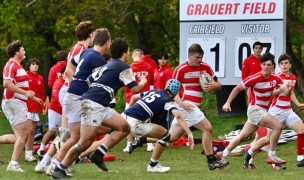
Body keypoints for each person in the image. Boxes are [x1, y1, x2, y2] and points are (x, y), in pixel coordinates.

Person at [51, 38, 147, 179]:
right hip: (93, 104)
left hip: (99, 104)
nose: (128, 54)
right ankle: (60, 167)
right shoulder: (124, 67)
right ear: (124, 53)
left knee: (124, 128)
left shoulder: (106, 65)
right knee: (84, 142)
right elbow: (135, 89)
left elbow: (90, 80)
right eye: (127, 51)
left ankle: (98, 154)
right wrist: (144, 81)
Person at [48, 28, 111, 175]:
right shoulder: (99, 60)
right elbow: (99, 83)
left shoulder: (86, 52)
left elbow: (69, 66)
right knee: (76, 137)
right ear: (107, 43)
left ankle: (56, 165)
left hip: (72, 95)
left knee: (74, 136)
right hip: (76, 98)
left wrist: (76, 80)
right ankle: (55, 165)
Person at [219, 52, 292, 169]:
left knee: (242, 136)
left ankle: (222, 156)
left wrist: (288, 89)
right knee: (278, 127)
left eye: (269, 65)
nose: (266, 67)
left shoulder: (276, 78)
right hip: (255, 110)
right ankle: (272, 156)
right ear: (261, 66)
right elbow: (237, 88)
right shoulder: (255, 78)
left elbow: (286, 92)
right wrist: (227, 103)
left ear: (273, 66)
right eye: (264, 65)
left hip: (262, 112)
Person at [171, 43, 225, 170]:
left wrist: (214, 85)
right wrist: (182, 104)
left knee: (172, 137)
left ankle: (142, 139)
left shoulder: (205, 67)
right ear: (189, 55)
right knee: (207, 128)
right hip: (186, 105)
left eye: (201, 57)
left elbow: (219, 84)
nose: (200, 60)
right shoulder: (180, 69)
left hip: (192, 107)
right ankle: (211, 161)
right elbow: (171, 91)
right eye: (197, 57)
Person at [245, 53, 304, 168]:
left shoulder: (292, 77)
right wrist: (283, 88)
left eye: (286, 63)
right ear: (278, 66)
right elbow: (271, 94)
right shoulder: (276, 78)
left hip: (287, 110)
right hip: (275, 111)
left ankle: (300, 158)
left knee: (301, 129)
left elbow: (290, 93)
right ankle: (250, 152)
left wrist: (297, 103)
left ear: (290, 65)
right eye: (281, 63)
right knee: (267, 138)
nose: (284, 65)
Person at [124, 79, 194, 172]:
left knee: (106, 137)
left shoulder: (155, 90)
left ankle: (99, 152)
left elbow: (133, 97)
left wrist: (130, 112)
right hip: (135, 123)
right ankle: (153, 165)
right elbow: (178, 116)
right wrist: (189, 133)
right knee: (166, 136)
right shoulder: (168, 100)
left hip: (123, 117)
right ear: (176, 92)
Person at [2, 40, 43, 172]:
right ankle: (13, 164)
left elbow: (22, 86)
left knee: (21, 134)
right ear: (16, 52)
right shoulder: (11, 65)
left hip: (19, 102)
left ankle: (13, 164)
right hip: (13, 102)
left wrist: (33, 97)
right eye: (23, 50)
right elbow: (7, 84)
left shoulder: (18, 66)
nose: (25, 52)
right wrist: (26, 93)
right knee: (27, 130)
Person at [123, 49, 154, 153]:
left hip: (130, 97)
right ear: (142, 56)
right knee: (146, 121)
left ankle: (129, 144)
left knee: (128, 122)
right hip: (145, 98)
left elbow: (126, 85)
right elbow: (151, 82)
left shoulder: (129, 68)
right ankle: (149, 144)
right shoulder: (149, 67)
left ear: (133, 56)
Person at [25, 58, 45, 162]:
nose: (35, 66)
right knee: (27, 131)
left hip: (34, 108)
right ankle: (26, 153)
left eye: (37, 64)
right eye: (33, 64)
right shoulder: (25, 76)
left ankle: (29, 153)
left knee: (32, 131)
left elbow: (41, 94)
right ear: (29, 65)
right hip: (25, 107)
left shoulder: (40, 78)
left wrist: (42, 107)